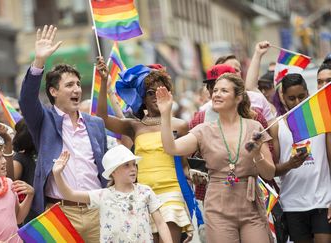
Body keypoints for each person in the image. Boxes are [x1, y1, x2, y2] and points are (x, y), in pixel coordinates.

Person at [157, 73, 276, 242]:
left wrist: (257, 155)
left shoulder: (254, 127)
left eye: (224, 91)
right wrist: (165, 114)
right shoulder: (203, 130)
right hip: (218, 209)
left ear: (238, 97)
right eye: (216, 90)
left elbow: (269, 173)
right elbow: (171, 148)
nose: (216, 94)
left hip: (251, 208)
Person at [18, 25, 107, 242]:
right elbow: (27, 101)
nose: (77, 89)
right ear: (54, 92)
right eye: (69, 85)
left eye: (78, 84)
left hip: (97, 210)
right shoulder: (44, 121)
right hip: (60, 213)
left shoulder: (96, 124)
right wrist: (39, 62)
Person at [95, 58, 193, 242]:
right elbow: (101, 117)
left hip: (171, 193)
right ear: (143, 99)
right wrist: (103, 83)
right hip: (142, 196)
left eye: (162, 91)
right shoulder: (135, 126)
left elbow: (185, 162)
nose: (157, 96)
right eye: (150, 93)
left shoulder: (180, 126)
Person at [52, 145, 173, 243]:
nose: (133, 169)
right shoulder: (102, 195)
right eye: (126, 165)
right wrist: (57, 174)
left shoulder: (145, 191)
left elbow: (161, 224)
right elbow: (69, 194)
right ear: (113, 172)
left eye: (134, 164)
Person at [268, 73, 331, 243]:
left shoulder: (324, 121)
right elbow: (271, 170)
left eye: (302, 96)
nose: (297, 103)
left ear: (308, 93)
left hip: (322, 201)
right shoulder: (276, 126)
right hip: (293, 205)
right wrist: (289, 164)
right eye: (291, 98)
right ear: (283, 98)